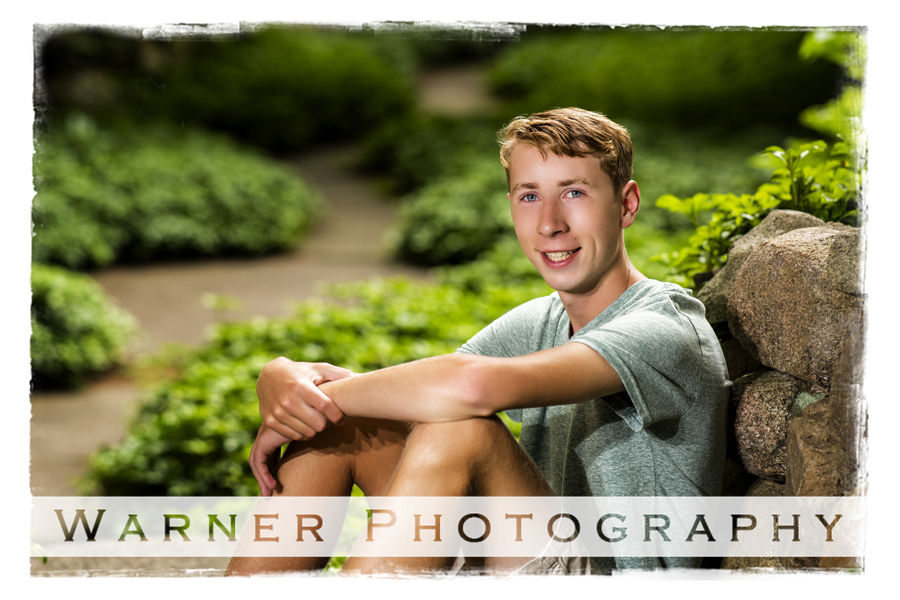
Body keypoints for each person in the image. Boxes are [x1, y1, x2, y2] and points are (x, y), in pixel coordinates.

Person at [225, 107, 729, 577]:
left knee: (461, 432)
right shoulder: (542, 320)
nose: (550, 223)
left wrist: (308, 398)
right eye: (530, 196)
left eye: (574, 192)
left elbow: (467, 387)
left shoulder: (665, 328)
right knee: (339, 423)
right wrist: (283, 377)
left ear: (626, 204)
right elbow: (415, 398)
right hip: (531, 556)